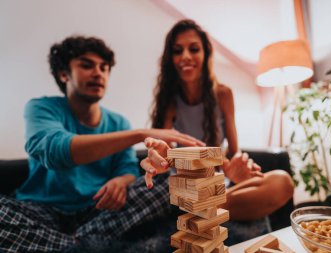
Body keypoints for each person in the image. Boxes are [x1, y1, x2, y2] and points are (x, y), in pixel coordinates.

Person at [0, 36, 204, 253]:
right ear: (63, 74)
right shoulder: (41, 108)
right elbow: (55, 152)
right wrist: (139, 134)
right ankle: (83, 246)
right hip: (42, 210)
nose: (98, 73)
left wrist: (121, 180)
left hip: (98, 210)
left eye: (104, 68)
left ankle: (69, 245)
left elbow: (127, 169)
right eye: (87, 65)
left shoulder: (118, 123)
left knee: (176, 178)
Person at [146, 19, 294, 221]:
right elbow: (166, 158)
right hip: (185, 183)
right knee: (177, 191)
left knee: (282, 182)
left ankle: (207, 210)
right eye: (177, 51)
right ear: (170, 59)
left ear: (205, 54)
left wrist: (237, 167)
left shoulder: (223, 94)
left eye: (194, 49)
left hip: (219, 183)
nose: (186, 57)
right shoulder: (170, 100)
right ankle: (210, 210)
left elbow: (234, 150)